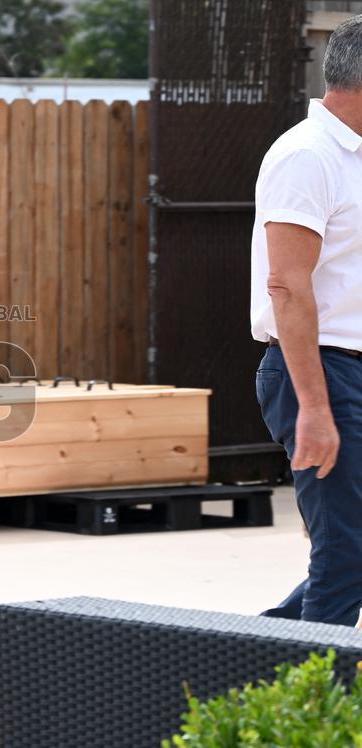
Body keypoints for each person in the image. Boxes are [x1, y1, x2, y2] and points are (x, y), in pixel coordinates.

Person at [252, 15, 362, 627]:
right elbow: (287, 287)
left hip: (348, 370)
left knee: (353, 551)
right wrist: (314, 409)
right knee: (344, 555)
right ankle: (321, 712)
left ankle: (254, 660)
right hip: (319, 374)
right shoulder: (306, 156)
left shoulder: (354, 157)